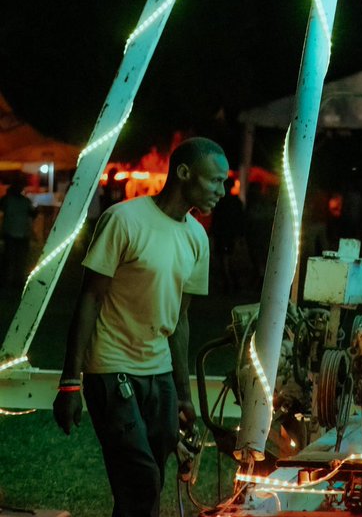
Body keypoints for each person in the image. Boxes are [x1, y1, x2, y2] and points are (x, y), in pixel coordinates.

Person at [53, 137, 227, 517]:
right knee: (142, 478)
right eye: (215, 181)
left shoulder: (197, 237)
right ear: (183, 173)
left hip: (159, 372)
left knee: (147, 484)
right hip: (110, 366)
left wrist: (182, 394)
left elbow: (181, 320)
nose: (222, 191)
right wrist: (70, 381)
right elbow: (89, 299)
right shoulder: (124, 220)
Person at [208, 176, 244, 293]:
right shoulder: (235, 201)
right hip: (228, 233)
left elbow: (216, 218)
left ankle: (229, 282)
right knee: (227, 258)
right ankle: (231, 283)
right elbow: (240, 219)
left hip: (224, 233)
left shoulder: (223, 201)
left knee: (224, 259)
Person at [1, 181, 37, 289]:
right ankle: (18, 281)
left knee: (8, 259)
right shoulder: (26, 201)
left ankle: (6, 281)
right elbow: (34, 213)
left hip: (10, 233)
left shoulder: (6, 200)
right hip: (23, 233)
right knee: (20, 260)